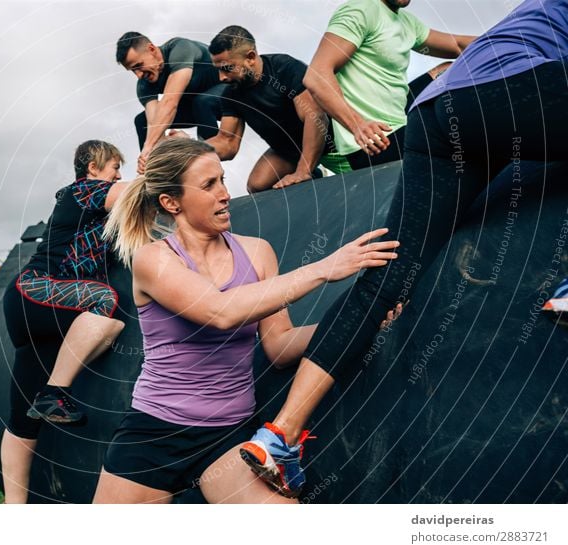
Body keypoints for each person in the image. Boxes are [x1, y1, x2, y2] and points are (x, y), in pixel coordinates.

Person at [241, 0, 568, 498]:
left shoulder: (520, 19)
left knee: (389, 272)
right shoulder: (361, 12)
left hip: (439, 113)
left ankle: (280, 435)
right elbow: (318, 74)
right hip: (511, 93)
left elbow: (463, 46)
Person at [92, 138, 401, 503]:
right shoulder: (153, 260)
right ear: (171, 202)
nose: (224, 194)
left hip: (227, 434)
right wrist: (323, 269)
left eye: (222, 180)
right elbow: (219, 312)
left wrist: (360, 323)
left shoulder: (256, 252)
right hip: (156, 434)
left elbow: (279, 346)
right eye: (208, 185)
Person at [0, 140, 128, 503]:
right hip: (37, 291)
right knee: (105, 301)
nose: (119, 174)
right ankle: (56, 392)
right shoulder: (83, 192)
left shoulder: (95, 213)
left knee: (21, 420)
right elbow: (135, 192)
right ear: (92, 168)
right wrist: (158, 158)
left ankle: (13, 507)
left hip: (41, 313)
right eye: (114, 167)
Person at [303, 0, 475, 172]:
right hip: (376, 142)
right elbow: (317, 76)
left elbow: (457, 45)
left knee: (450, 69)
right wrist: (358, 126)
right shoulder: (361, 10)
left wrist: (500, 40)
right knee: (467, 134)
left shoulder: (406, 21)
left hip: (401, 125)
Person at [204, 25, 331, 193]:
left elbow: (315, 117)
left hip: (328, 142)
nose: (222, 77)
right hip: (288, 151)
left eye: (227, 68)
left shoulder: (284, 68)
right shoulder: (231, 94)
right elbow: (227, 142)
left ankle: (311, 170)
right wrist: (186, 150)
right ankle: (316, 174)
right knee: (257, 186)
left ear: (250, 57)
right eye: (218, 69)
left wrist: (303, 171)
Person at [116, 32, 227, 173]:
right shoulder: (144, 85)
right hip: (197, 108)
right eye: (133, 70)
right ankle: (159, 177)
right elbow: (155, 124)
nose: (139, 75)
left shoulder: (179, 48)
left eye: (139, 65)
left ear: (152, 49)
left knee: (201, 101)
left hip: (229, 94)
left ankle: (209, 164)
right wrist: (150, 154)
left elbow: (170, 102)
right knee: (142, 122)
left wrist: (148, 146)